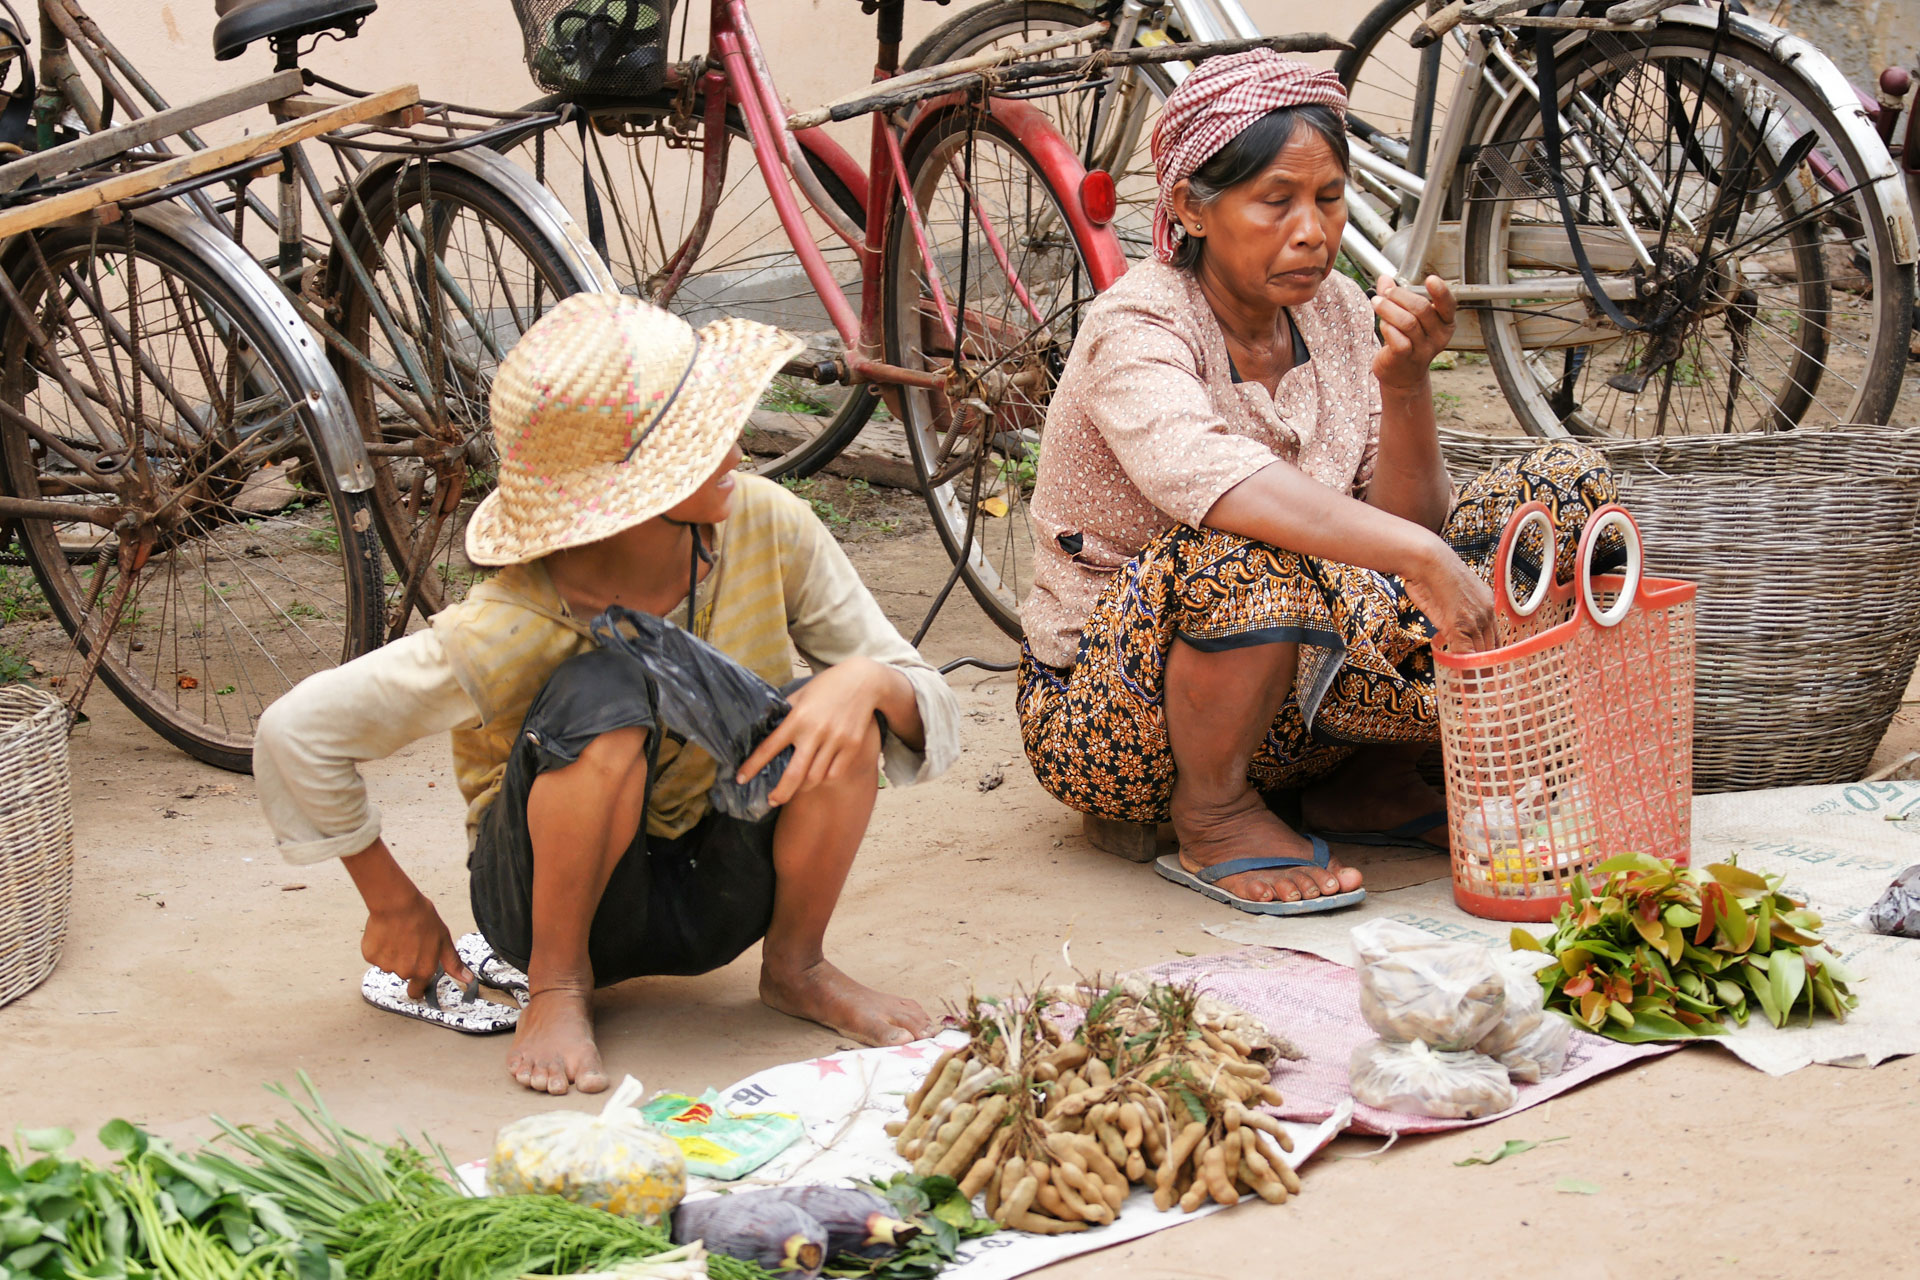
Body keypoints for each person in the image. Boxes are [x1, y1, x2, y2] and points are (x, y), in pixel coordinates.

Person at [254, 294, 958, 1094]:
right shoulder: (505, 624)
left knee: (846, 710)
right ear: (632, 499)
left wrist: (865, 681)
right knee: (610, 688)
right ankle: (558, 989)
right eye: (702, 441)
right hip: (546, 908)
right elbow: (296, 733)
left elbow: (929, 700)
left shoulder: (768, 526)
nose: (736, 447)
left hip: (719, 890)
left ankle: (797, 967)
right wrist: (393, 905)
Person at [1018, 51, 1617, 915]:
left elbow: (1404, 522)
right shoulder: (1138, 324)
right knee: (1244, 547)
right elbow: (1225, 485)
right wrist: (1420, 557)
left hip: (1312, 712)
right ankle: (1214, 813)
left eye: (1328, 199)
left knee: (1560, 486)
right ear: (1191, 206)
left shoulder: (1332, 307)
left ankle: (1371, 781)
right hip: (1124, 717)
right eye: (1276, 202)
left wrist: (1405, 384)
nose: (1312, 230)